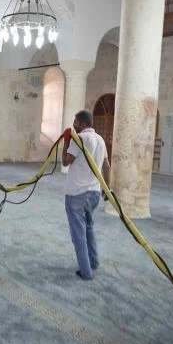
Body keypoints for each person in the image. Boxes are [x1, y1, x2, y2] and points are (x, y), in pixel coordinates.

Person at [62, 110, 110, 280]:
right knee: (88, 229)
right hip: (94, 193)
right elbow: (106, 166)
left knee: (78, 235)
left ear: (83, 124)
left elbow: (65, 161)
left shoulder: (80, 138)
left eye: (75, 122)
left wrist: (66, 141)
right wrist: (107, 188)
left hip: (77, 194)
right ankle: (93, 262)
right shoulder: (100, 140)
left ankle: (86, 272)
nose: (73, 125)